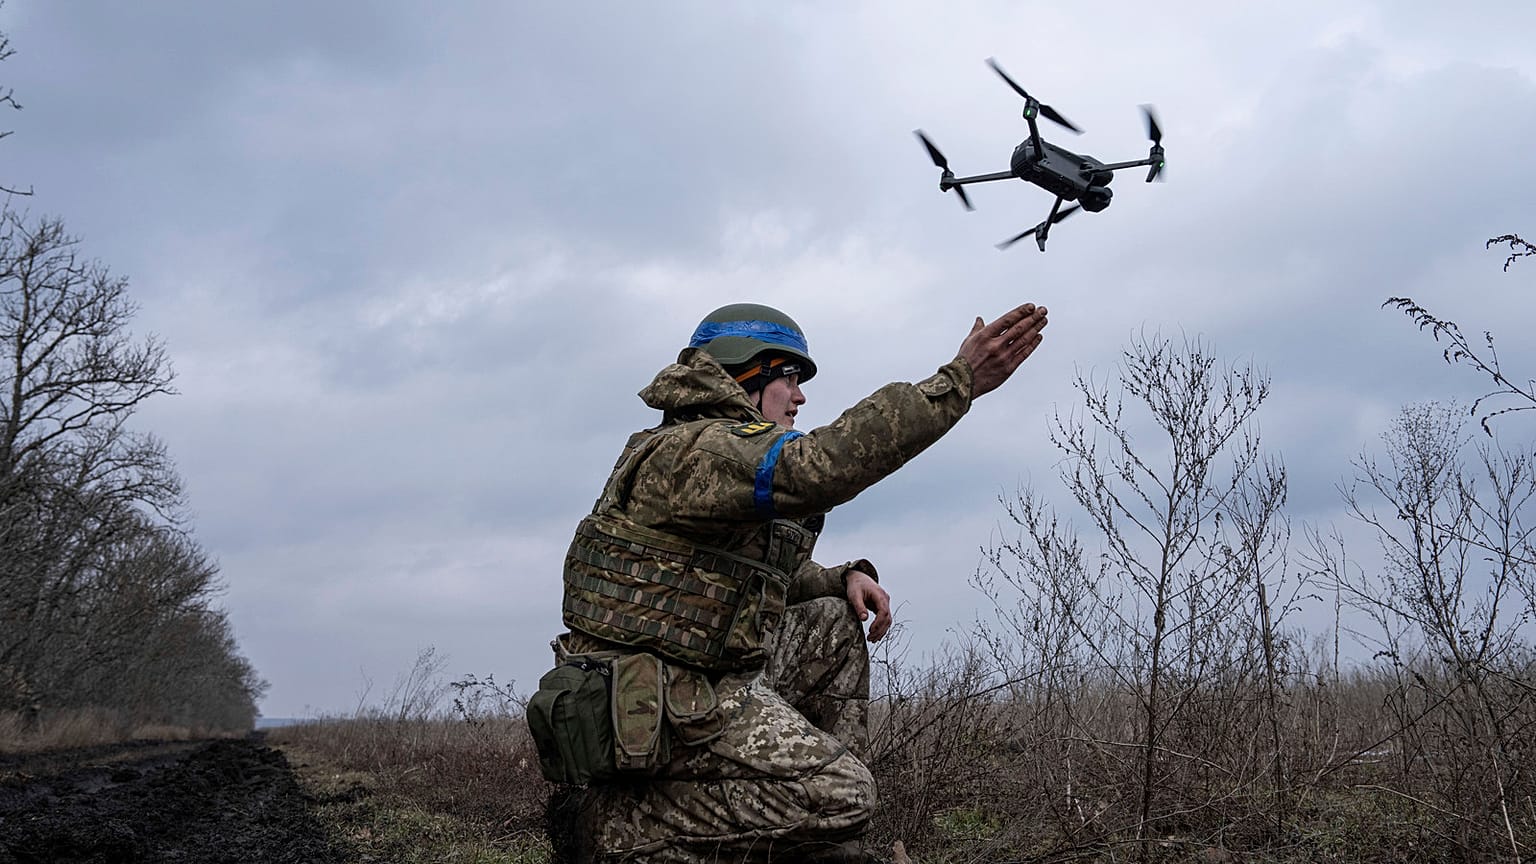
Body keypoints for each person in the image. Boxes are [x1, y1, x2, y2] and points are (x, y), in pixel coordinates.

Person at [535, 300, 1049, 863]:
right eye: (789, 378)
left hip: (694, 677)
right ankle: (618, 827)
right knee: (846, 795)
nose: (800, 396)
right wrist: (959, 383)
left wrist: (838, 577)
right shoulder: (696, 451)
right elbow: (816, 468)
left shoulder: (709, 454)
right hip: (658, 699)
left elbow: (745, 577)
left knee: (832, 622)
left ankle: (808, 838)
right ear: (743, 377)